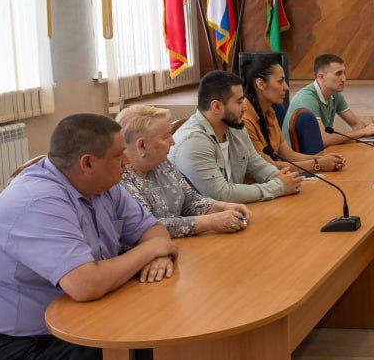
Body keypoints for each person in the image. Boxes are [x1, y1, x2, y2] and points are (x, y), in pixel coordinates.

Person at [0, 114, 178, 360]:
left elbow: (152, 229)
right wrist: (150, 252)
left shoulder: (101, 185)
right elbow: (85, 285)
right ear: (87, 163)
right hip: (18, 347)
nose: (126, 161)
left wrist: (157, 250)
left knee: (162, 330)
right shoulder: (37, 202)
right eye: (117, 155)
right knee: (157, 359)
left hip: (77, 322)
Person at [117, 104, 252, 237]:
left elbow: (190, 200)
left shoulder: (161, 163)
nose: (173, 142)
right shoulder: (119, 179)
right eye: (165, 137)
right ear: (141, 145)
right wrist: (210, 222)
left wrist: (221, 207)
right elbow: (148, 227)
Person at [171, 70, 300, 203]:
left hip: (231, 214)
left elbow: (256, 164)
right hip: (203, 219)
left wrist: (279, 176)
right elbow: (222, 195)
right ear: (216, 106)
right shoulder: (194, 143)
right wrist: (278, 186)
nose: (245, 107)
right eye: (239, 102)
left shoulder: (235, 128)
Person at [242, 53, 345, 173]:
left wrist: (327, 160)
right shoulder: (244, 120)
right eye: (280, 81)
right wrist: (318, 164)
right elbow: (269, 167)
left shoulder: (269, 112)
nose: (286, 87)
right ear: (260, 84)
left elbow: (288, 155)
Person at [283, 53, 374, 147]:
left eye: (344, 73)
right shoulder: (307, 98)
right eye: (338, 74)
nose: (344, 79)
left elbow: (355, 123)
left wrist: (371, 129)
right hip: (298, 159)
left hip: (317, 153)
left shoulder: (335, 94)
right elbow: (323, 139)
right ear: (321, 77)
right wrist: (363, 132)